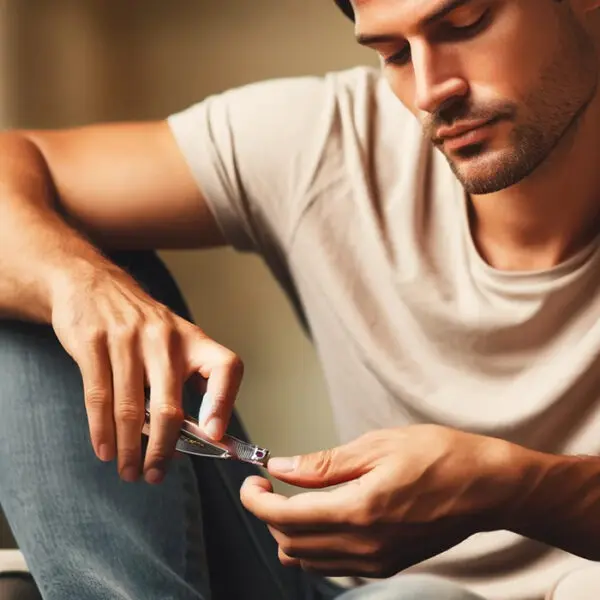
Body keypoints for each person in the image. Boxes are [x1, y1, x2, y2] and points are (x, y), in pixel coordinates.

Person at [1, 0, 600, 598]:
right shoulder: (328, 139)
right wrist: (80, 289)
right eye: (392, 53)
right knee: (43, 283)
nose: (430, 90)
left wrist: (513, 487)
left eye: (466, 25)